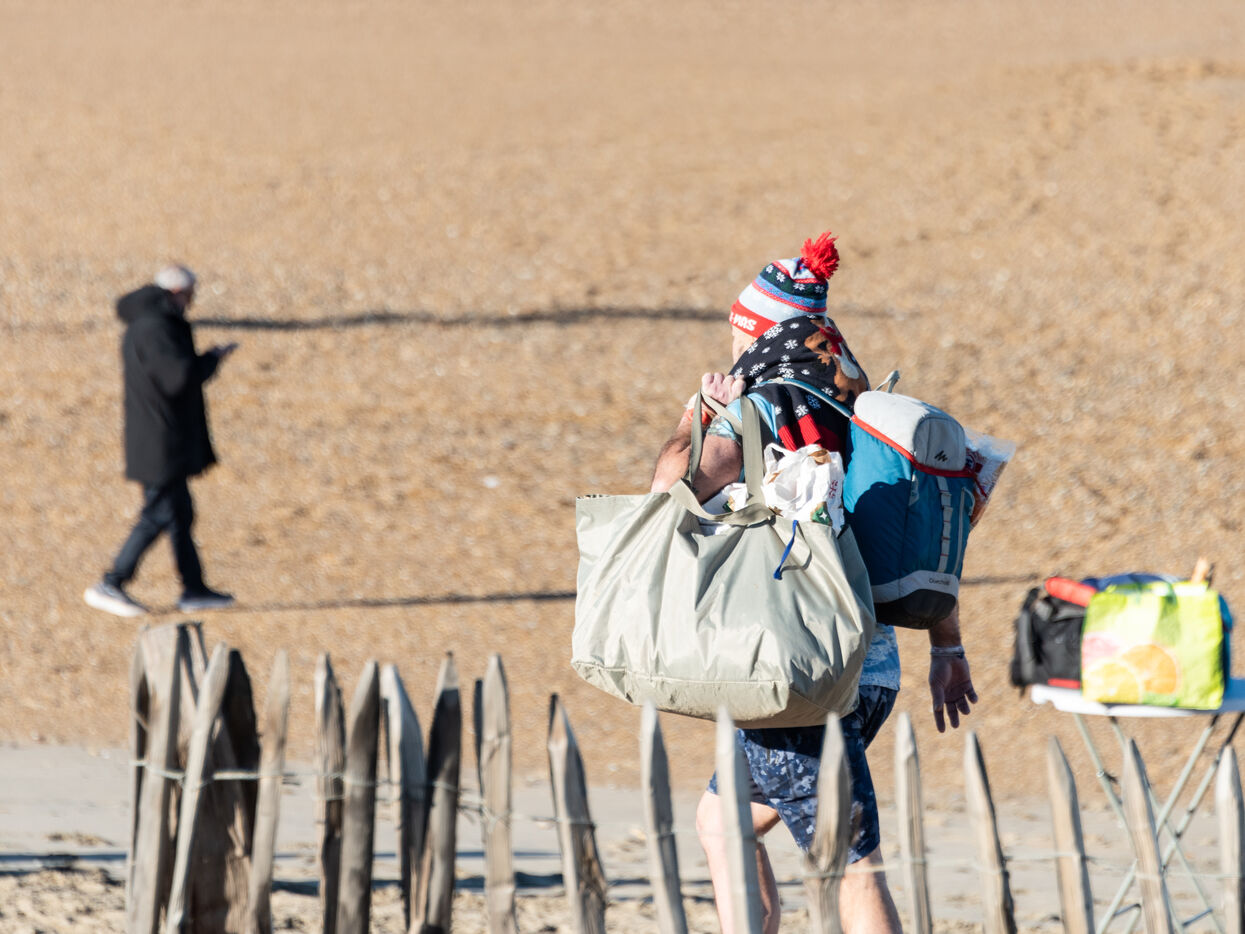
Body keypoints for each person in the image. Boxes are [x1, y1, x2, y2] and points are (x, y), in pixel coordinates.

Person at [650, 232, 978, 934]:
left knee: (849, 863)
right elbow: (915, 531)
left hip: (799, 677)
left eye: (738, 330)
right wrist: (946, 647)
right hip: (871, 669)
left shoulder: (764, 404)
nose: (734, 344)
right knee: (722, 822)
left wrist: (697, 415)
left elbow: (666, 494)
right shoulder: (863, 410)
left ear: (758, 330)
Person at [84, 265, 238, 617]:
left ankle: (194, 590)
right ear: (177, 293)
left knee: (180, 513)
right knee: (159, 513)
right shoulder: (157, 327)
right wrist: (210, 361)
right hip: (159, 440)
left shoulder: (148, 324)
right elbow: (177, 378)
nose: (192, 302)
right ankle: (112, 583)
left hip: (158, 437)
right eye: (191, 294)